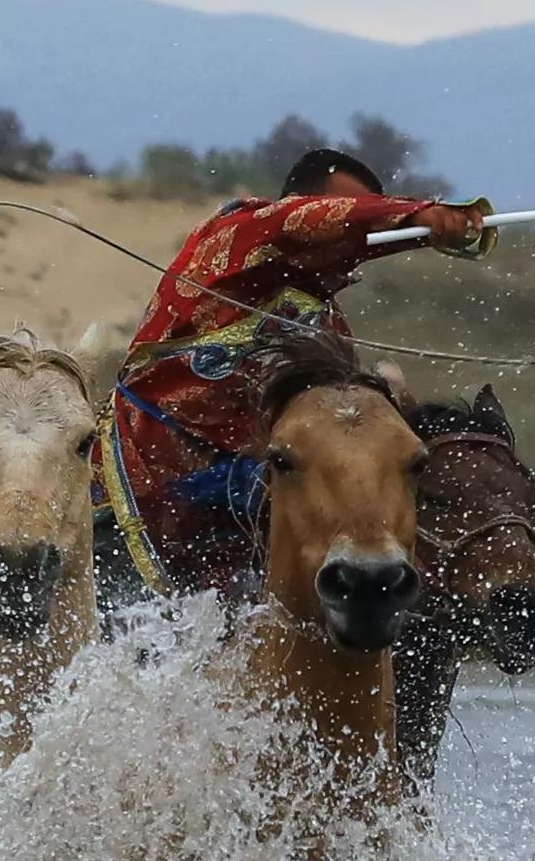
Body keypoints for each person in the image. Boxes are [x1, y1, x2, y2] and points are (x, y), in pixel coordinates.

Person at [108, 142, 491, 592]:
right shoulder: (238, 233)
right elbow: (293, 224)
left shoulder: (329, 326)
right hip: (142, 486)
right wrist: (421, 218)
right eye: (350, 212)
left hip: (250, 508)